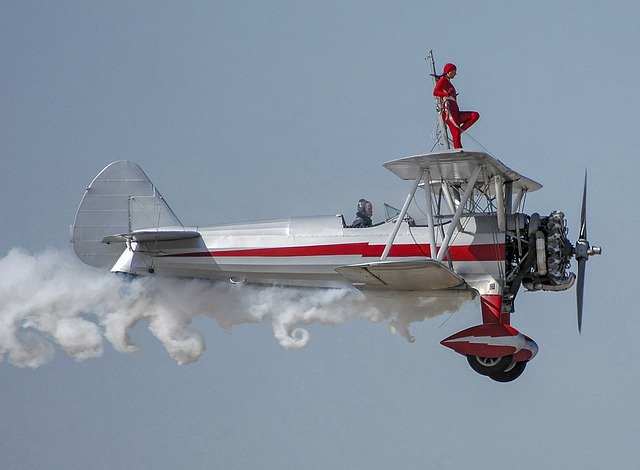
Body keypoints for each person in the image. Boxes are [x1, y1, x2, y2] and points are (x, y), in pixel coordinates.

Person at [432, 63, 480, 149]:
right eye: (454, 72)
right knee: (456, 135)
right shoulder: (443, 80)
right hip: (449, 112)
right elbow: (435, 92)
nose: (455, 74)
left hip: (456, 112)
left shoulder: (449, 83)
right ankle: (459, 151)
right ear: (449, 72)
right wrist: (446, 93)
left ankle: (460, 130)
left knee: (474, 115)